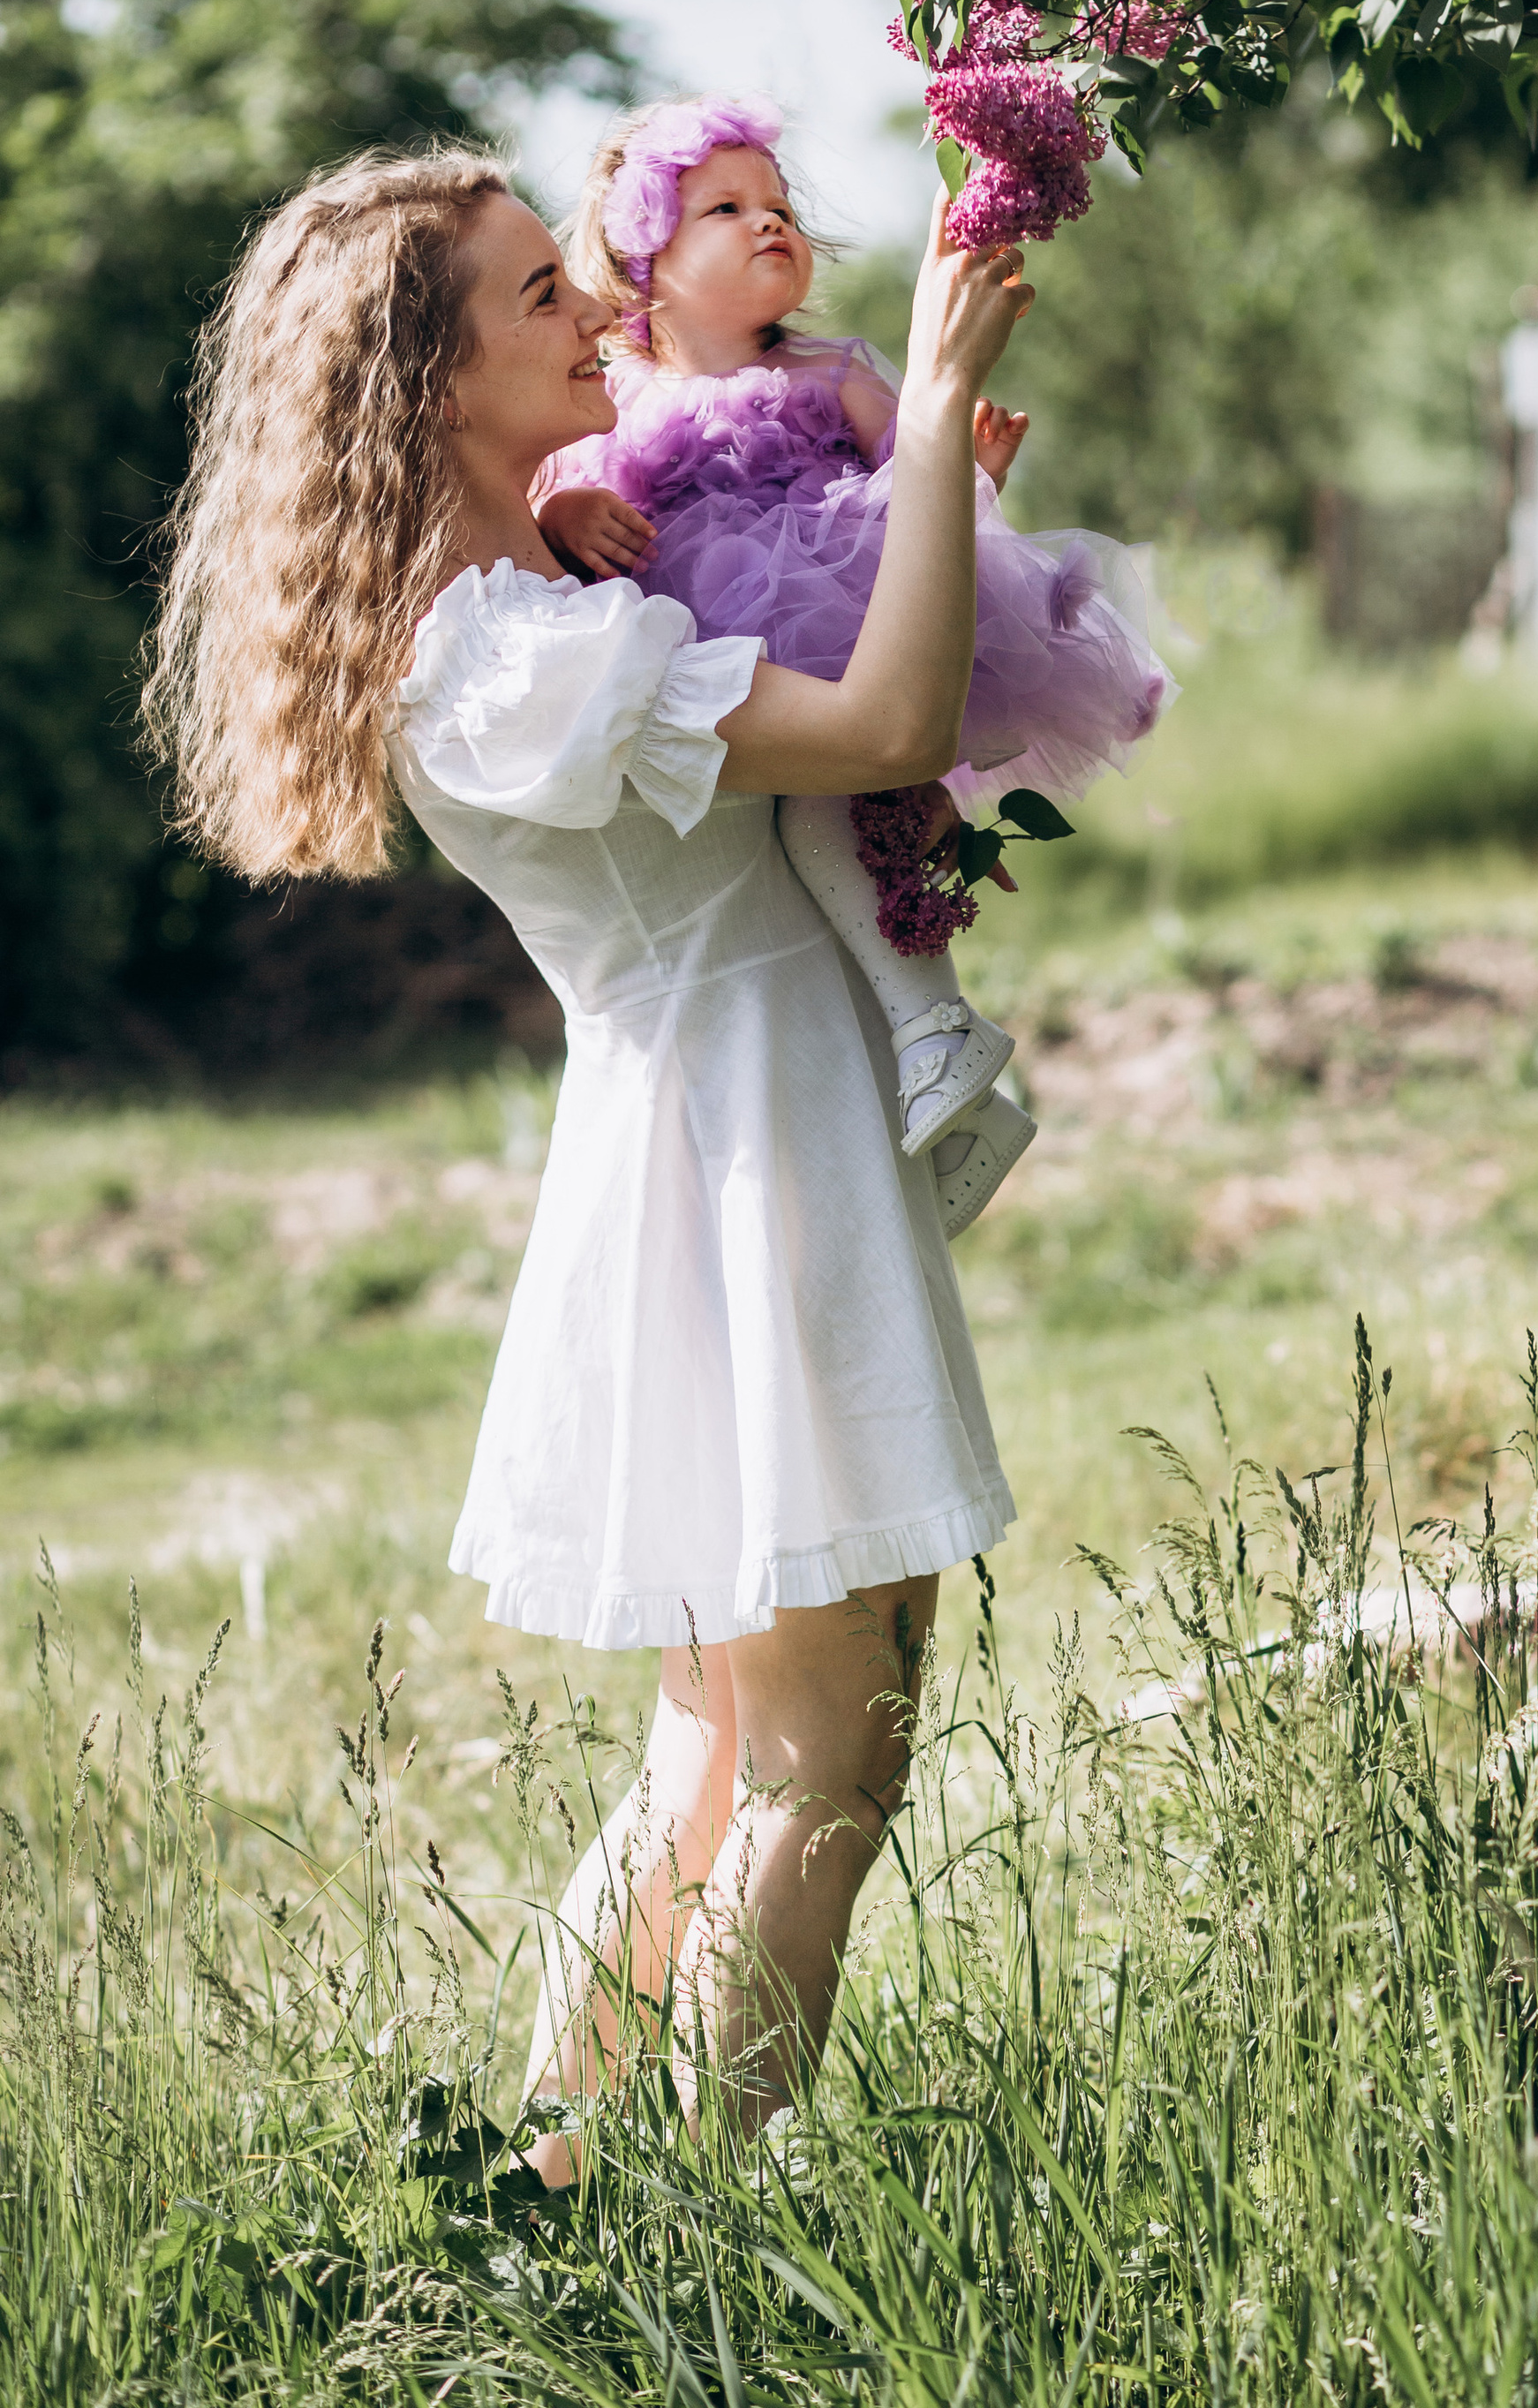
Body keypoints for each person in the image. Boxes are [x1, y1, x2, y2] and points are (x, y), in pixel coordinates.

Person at [143, 144, 1035, 2176]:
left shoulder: (531, 598)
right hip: (747, 1146)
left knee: (721, 1741)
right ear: (425, 377)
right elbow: (889, 711)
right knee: (833, 1749)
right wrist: (929, 389)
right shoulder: (519, 661)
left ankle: (547, 2190)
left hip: (707, 1126)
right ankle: (680, 2227)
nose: (586, 311)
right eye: (537, 289)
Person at [537, 98, 1171, 1226]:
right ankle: (935, 1076)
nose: (768, 222)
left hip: (838, 623)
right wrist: (572, 511)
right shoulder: (613, 398)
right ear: (647, 260)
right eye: (725, 209)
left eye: (777, 205)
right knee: (804, 858)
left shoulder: (832, 369)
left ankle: (938, 1032)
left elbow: (918, 503)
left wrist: (971, 476)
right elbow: (552, 501)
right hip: (716, 648)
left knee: (837, 816)